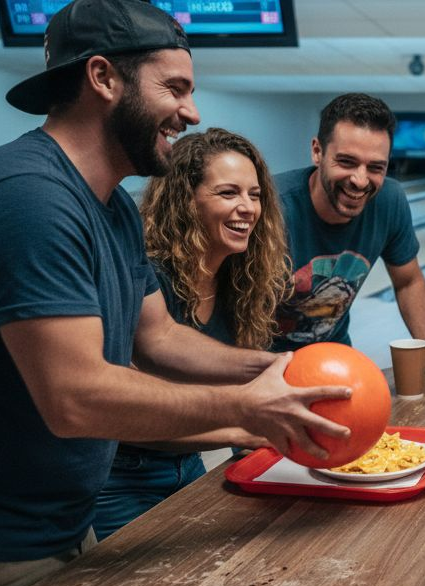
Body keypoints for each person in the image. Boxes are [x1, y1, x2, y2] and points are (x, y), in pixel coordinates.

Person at [0, 0, 350, 586]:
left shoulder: (112, 209)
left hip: (54, 520)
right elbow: (75, 397)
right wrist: (247, 411)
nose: (191, 112)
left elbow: (159, 338)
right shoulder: (28, 197)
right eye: (175, 88)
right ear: (103, 78)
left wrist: (272, 370)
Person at [93, 128, 289, 539]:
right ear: (186, 199)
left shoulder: (241, 282)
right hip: (121, 478)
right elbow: (130, 416)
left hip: (189, 463)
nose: (247, 207)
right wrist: (243, 428)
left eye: (255, 195)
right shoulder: (151, 279)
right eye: (228, 193)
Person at [273, 93, 425, 376]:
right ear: (317, 151)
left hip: (333, 359)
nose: (360, 180)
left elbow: (408, 281)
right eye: (347, 162)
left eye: (375, 167)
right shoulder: (270, 209)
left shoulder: (389, 201)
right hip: (260, 365)